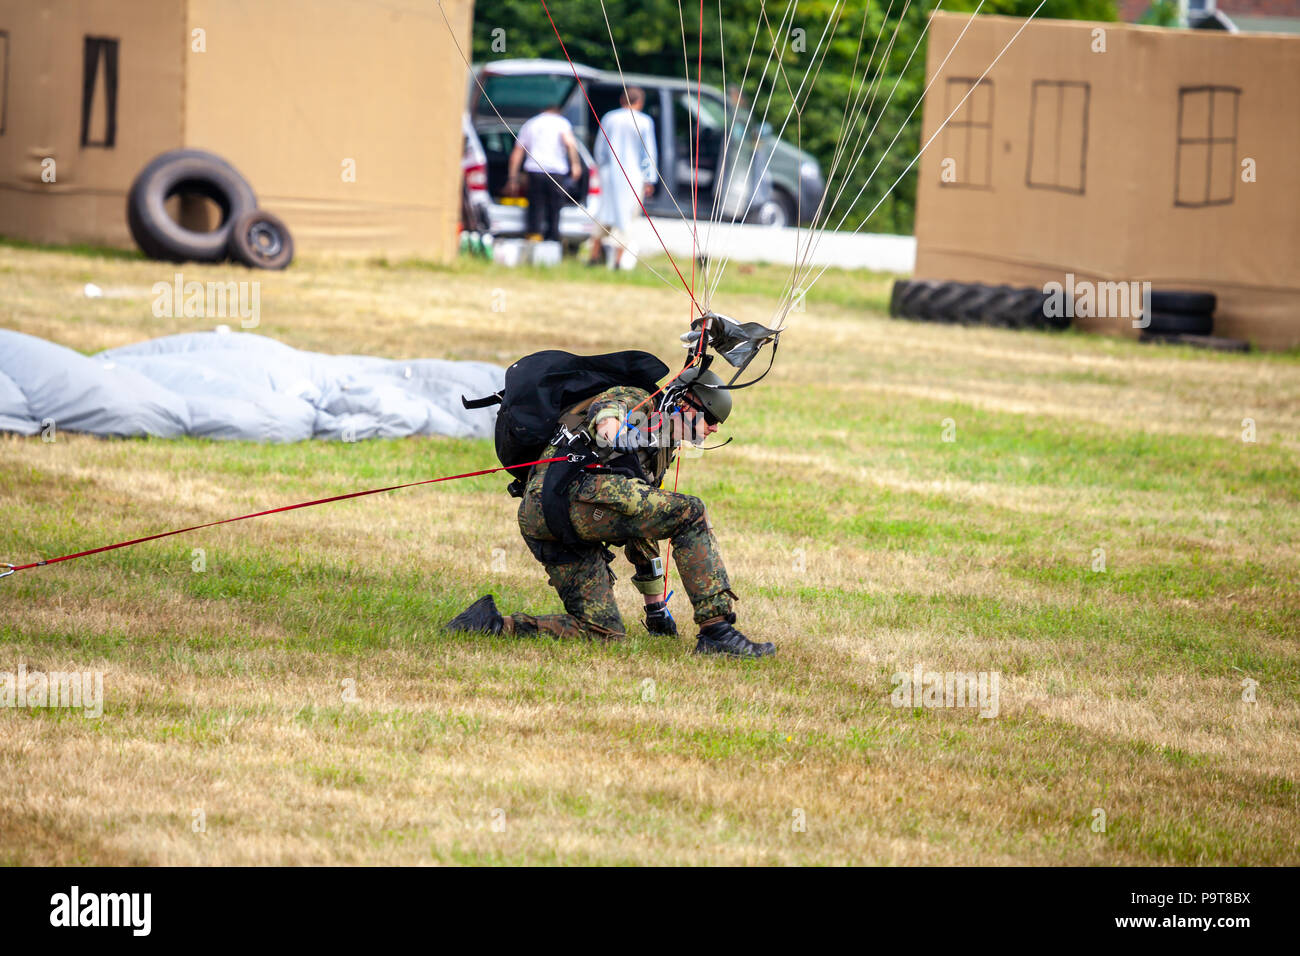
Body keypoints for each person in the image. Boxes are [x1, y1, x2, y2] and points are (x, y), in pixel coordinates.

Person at [446, 366, 775, 658]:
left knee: (603, 632)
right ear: (685, 406)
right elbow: (609, 408)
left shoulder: (660, 448)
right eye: (712, 419)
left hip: (543, 518)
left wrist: (655, 609)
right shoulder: (641, 399)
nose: (715, 429)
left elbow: (642, 526)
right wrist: (611, 428)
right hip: (574, 496)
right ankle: (717, 631)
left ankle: (489, 625)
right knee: (691, 512)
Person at [589, 87, 658, 269]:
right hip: (632, 176)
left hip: (608, 174)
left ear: (622, 100)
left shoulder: (609, 118)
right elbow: (648, 152)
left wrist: (601, 168)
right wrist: (649, 178)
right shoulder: (644, 121)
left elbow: (600, 149)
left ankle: (594, 255)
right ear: (640, 102)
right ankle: (618, 261)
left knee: (604, 213)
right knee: (627, 217)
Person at [507, 99, 582, 243]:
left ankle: (534, 238)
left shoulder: (531, 123)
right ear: (557, 111)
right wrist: (575, 164)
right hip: (556, 171)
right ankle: (552, 240)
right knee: (555, 208)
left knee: (536, 206)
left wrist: (513, 177)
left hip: (535, 170)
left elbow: (517, 153)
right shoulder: (562, 123)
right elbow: (570, 144)